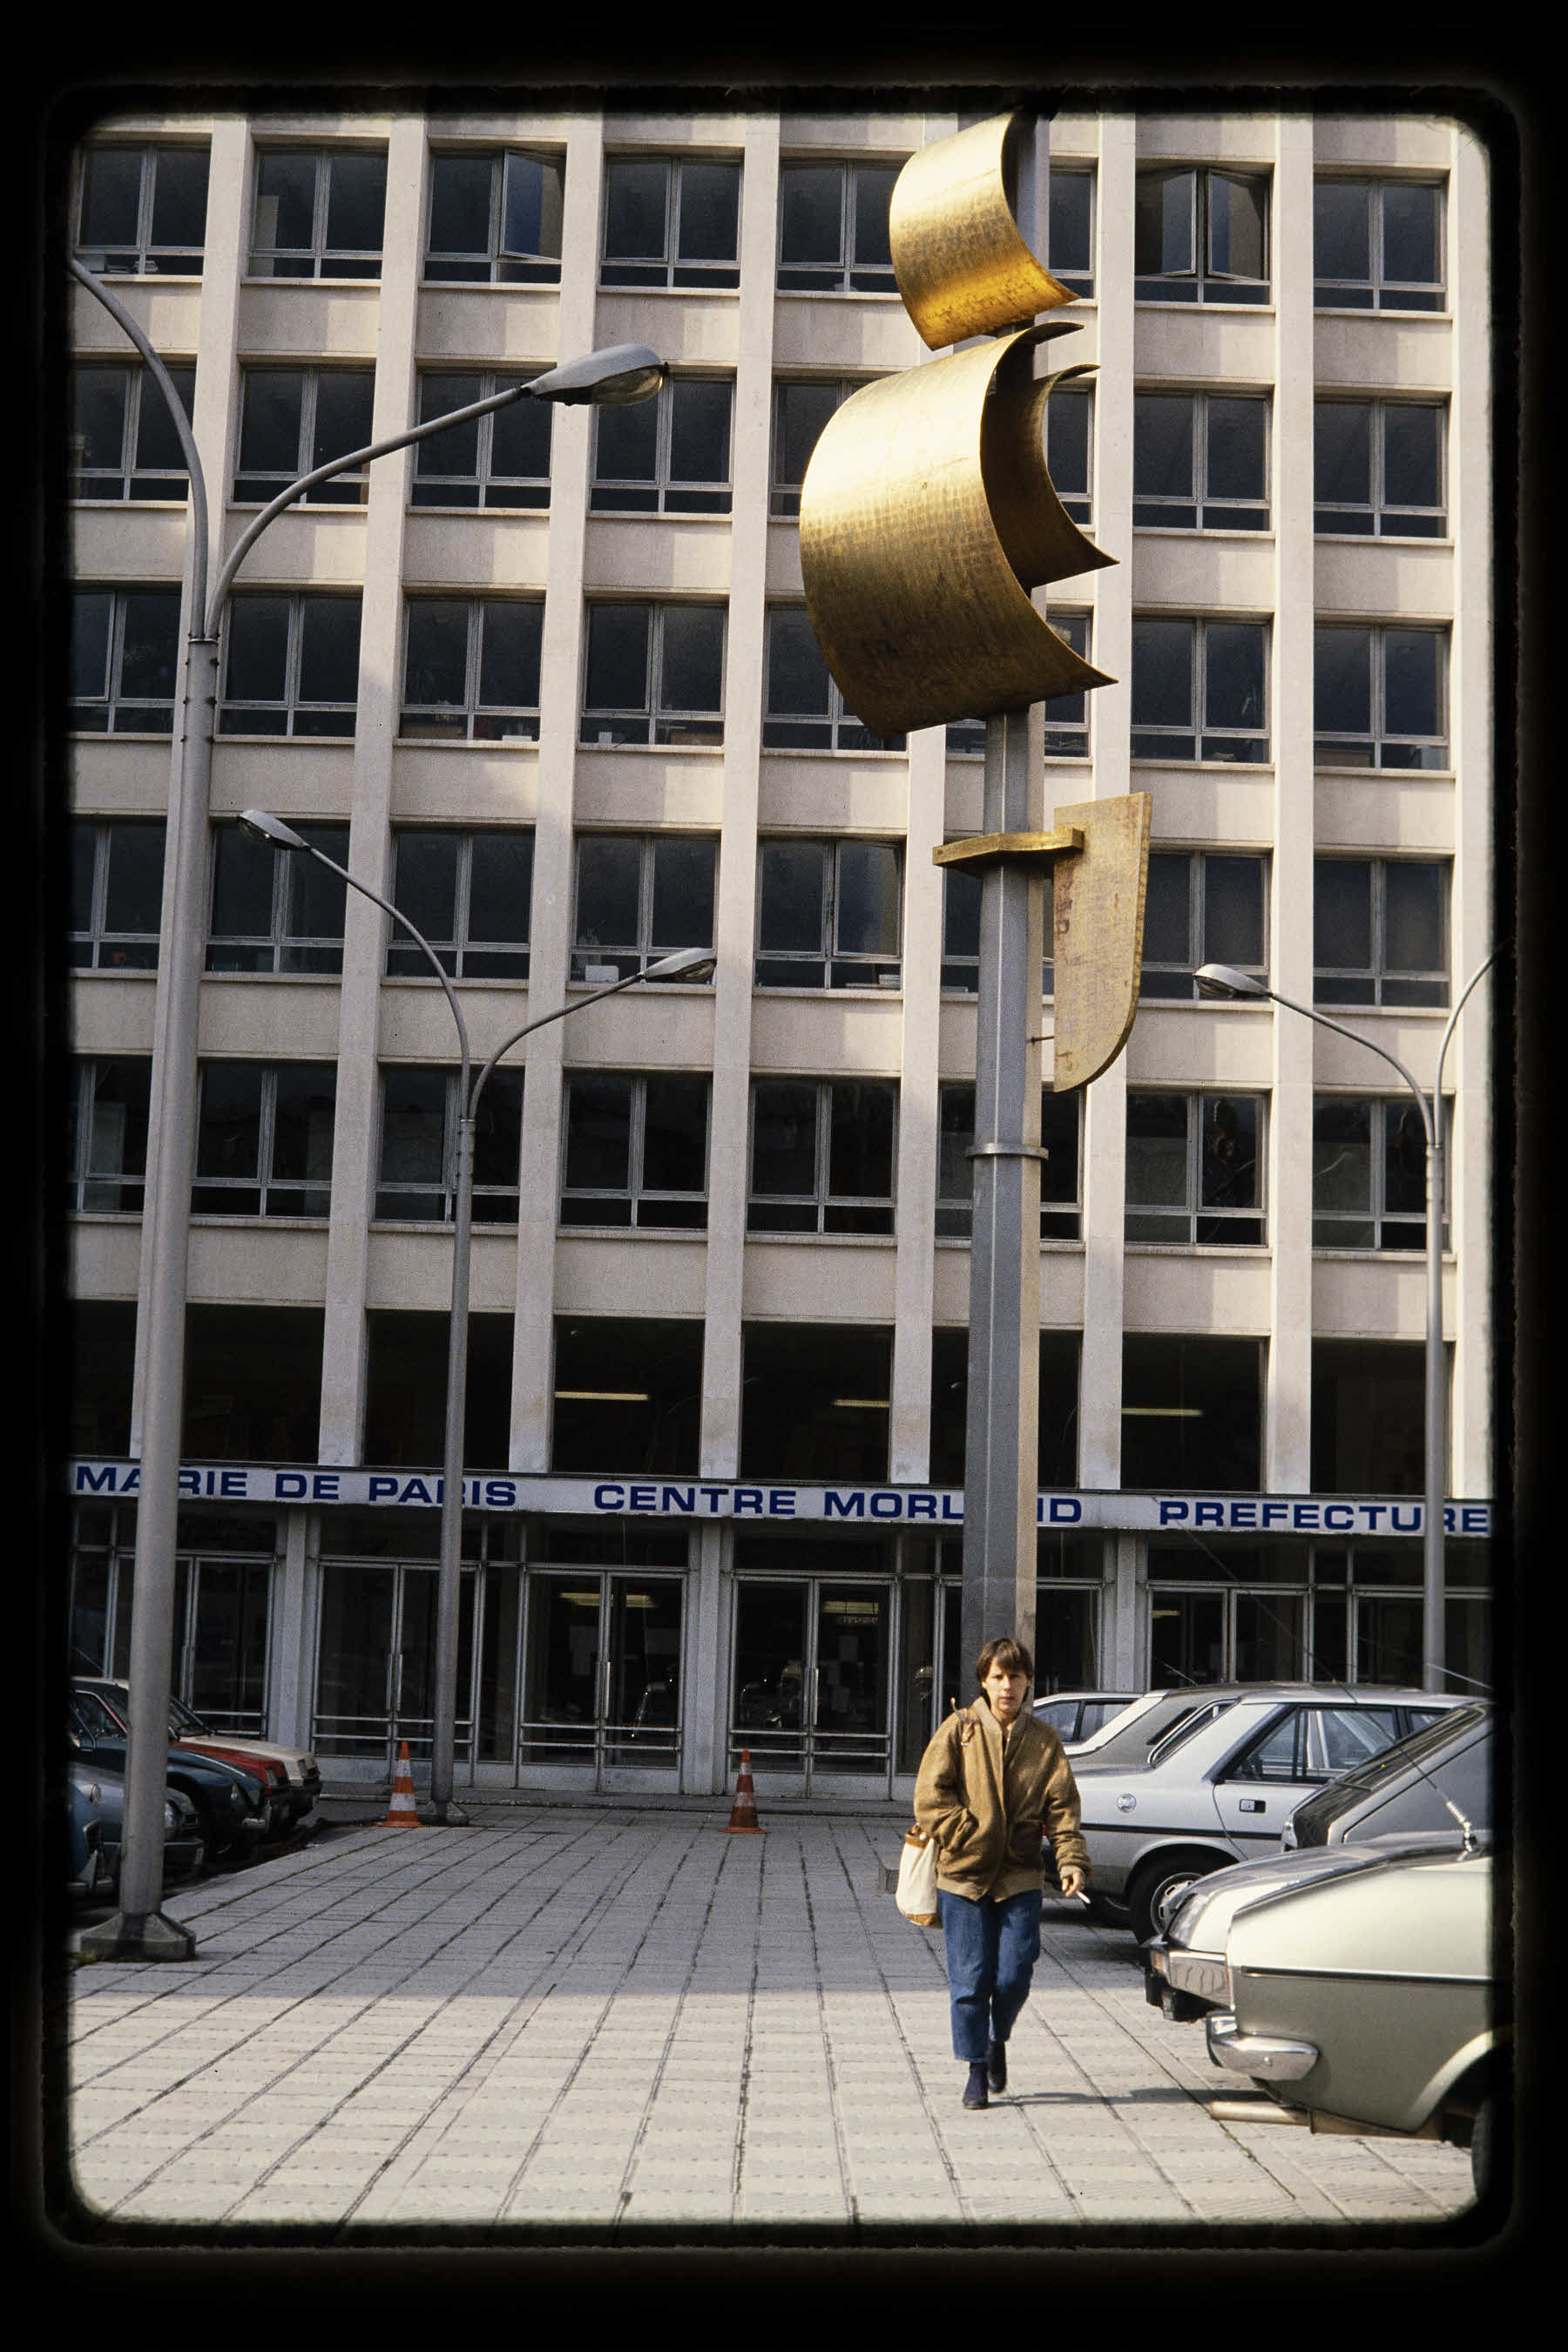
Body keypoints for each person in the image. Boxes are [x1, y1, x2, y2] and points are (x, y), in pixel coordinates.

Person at [913, 1634, 1089, 2109]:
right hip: (964, 1877)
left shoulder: (1044, 1741)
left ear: (1028, 1681)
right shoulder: (959, 1729)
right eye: (998, 1677)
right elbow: (929, 1797)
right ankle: (976, 2067)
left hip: (1019, 1876)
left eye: (1015, 1676)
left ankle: (997, 2038)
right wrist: (967, 1832)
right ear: (984, 1682)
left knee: (1014, 1972)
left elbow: (1063, 1809)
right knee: (970, 1979)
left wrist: (1071, 1859)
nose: (1007, 1686)